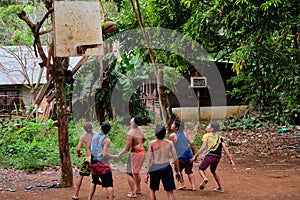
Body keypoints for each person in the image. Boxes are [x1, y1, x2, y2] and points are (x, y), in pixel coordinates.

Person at [191, 121, 235, 193]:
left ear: (211, 129)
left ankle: (205, 178)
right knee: (213, 171)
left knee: (201, 169)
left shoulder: (206, 135)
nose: (206, 127)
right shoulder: (219, 137)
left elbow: (203, 147)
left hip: (209, 156)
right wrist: (230, 159)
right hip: (217, 157)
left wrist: (195, 155)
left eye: (208, 126)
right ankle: (220, 187)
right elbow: (225, 148)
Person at [145, 125, 181, 200]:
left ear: (155, 133)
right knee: (170, 192)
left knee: (152, 190)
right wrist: (178, 171)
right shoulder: (169, 143)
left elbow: (149, 159)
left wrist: (147, 172)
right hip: (166, 167)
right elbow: (175, 158)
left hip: (155, 167)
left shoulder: (151, 143)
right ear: (165, 133)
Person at [118, 116, 146, 198]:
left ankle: (133, 193)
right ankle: (138, 189)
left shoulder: (130, 133)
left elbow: (127, 149)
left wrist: (119, 154)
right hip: (142, 152)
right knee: (136, 172)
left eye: (133, 119)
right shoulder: (140, 128)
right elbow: (144, 138)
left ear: (133, 122)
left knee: (129, 173)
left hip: (135, 154)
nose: (131, 119)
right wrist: (139, 144)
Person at [88, 122, 118, 200]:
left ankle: (89, 198)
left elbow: (90, 148)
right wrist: (114, 157)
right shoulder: (106, 140)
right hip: (102, 164)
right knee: (109, 185)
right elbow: (104, 154)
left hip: (93, 162)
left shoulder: (94, 136)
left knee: (94, 181)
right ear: (109, 131)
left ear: (101, 128)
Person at [169, 119, 196, 191]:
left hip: (180, 157)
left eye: (173, 124)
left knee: (178, 171)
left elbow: (170, 147)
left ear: (176, 127)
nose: (171, 125)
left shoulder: (172, 135)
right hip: (188, 155)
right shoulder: (185, 133)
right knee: (189, 171)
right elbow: (192, 144)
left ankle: (183, 184)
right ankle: (193, 186)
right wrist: (194, 155)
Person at [72, 122, 94, 200]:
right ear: (92, 127)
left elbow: (78, 149)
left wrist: (79, 153)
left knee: (81, 176)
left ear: (84, 129)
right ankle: (109, 193)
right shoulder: (96, 135)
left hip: (88, 159)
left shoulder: (83, 137)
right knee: (101, 175)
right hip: (97, 158)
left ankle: (76, 194)